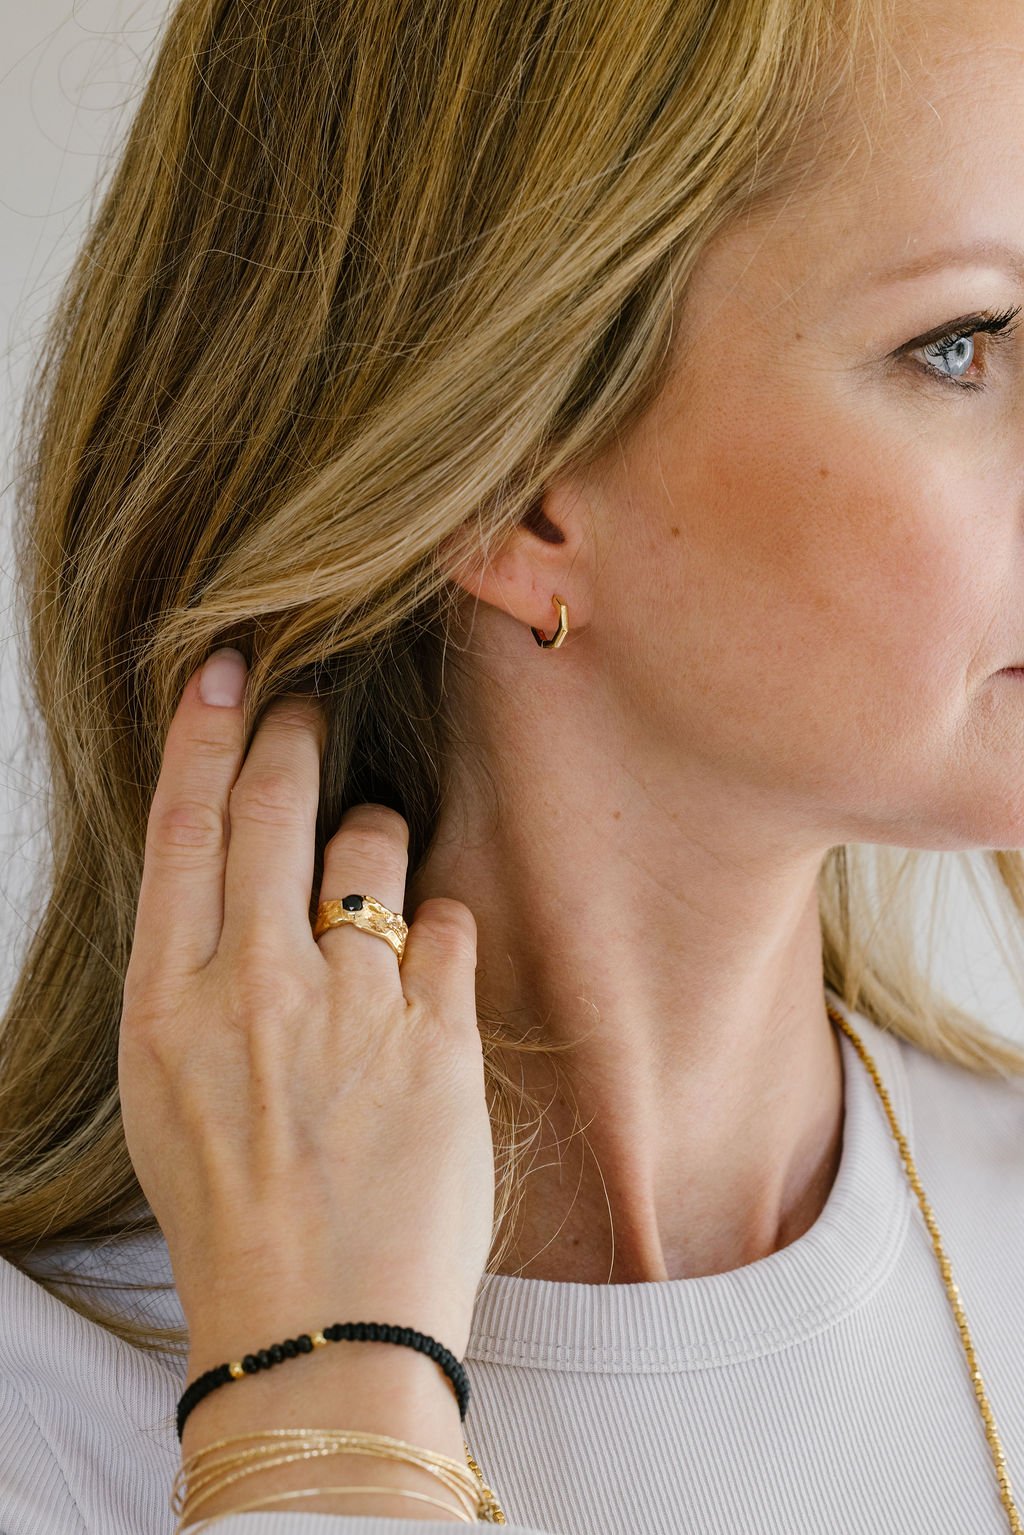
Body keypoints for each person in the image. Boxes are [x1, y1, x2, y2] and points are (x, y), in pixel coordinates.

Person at [2, 0, 1024, 1527]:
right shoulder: (41, 1413)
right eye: (962, 344)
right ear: (512, 483)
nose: (987, 368)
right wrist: (325, 1431)